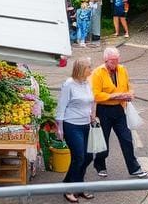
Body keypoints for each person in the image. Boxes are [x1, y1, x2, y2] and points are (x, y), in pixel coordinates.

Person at [90, 47, 147, 178]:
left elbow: (128, 86)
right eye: (112, 61)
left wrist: (130, 94)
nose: (115, 64)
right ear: (105, 60)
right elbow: (96, 95)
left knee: (126, 138)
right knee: (103, 139)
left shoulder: (122, 69)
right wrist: (115, 96)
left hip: (119, 109)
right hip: (103, 110)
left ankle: (134, 168)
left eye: (117, 60)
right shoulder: (98, 73)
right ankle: (100, 165)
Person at [56, 57, 97, 202]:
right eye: (89, 68)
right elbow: (61, 106)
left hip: (85, 124)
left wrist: (93, 113)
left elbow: (92, 100)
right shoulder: (69, 84)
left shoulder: (87, 83)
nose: (91, 70)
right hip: (71, 125)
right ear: (81, 69)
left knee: (87, 157)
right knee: (79, 157)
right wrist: (59, 128)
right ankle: (68, 189)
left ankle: (76, 186)